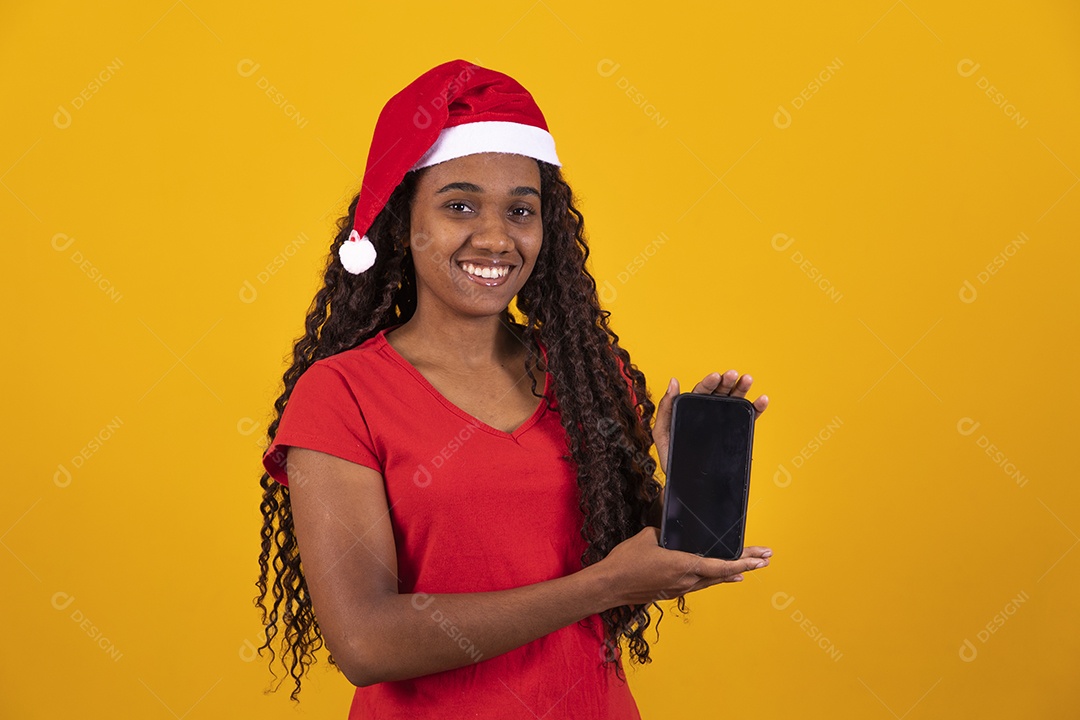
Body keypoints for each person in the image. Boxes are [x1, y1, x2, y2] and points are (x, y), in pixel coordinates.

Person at [254, 59, 772, 719]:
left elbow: (634, 571)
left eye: (520, 210)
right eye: (459, 204)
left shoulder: (586, 377)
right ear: (402, 222)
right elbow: (364, 640)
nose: (496, 237)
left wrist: (684, 494)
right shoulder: (342, 395)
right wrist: (601, 586)